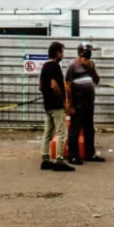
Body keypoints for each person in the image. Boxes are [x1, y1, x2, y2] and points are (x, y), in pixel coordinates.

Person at [65, 42, 106, 164]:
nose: (89, 53)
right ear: (81, 52)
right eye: (87, 51)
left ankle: (90, 154)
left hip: (89, 101)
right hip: (78, 101)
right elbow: (67, 85)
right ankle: (73, 155)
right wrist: (70, 104)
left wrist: (91, 69)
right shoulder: (72, 65)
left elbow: (97, 80)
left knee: (89, 128)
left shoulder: (91, 64)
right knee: (75, 128)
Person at [38, 42, 75, 172]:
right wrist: (63, 102)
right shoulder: (55, 66)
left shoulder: (45, 67)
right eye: (62, 52)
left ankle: (45, 159)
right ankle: (59, 160)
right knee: (61, 132)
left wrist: (47, 96)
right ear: (57, 53)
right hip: (56, 105)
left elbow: (41, 87)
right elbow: (54, 86)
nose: (63, 55)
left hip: (47, 105)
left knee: (47, 133)